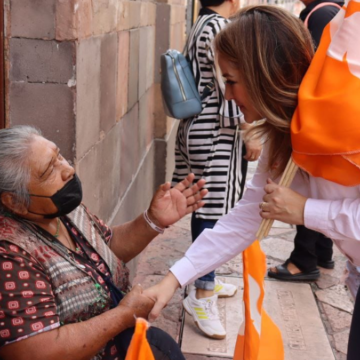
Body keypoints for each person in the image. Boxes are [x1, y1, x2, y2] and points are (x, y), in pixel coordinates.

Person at [143, 5, 359, 359]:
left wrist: (307, 210)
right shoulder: (287, 137)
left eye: (230, 81)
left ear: (265, 76)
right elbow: (245, 219)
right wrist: (172, 280)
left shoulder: (348, 128)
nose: (227, 95)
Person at [0, 126, 208, 360]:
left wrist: (153, 221)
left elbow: (105, 248)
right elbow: (35, 351)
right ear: (15, 201)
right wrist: (123, 315)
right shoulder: (10, 253)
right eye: (49, 169)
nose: (67, 169)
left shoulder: (62, 211)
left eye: (59, 156)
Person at [172, 0, 262, 339]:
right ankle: (202, 292)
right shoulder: (217, 27)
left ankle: (205, 277)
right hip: (216, 131)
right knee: (211, 210)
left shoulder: (203, 23)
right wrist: (247, 129)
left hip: (204, 127)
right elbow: (227, 90)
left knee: (212, 207)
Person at [268, 0, 344, 281]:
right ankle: (322, 253)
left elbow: (317, 72)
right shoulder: (328, 12)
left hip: (318, 124)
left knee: (308, 193)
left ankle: (304, 260)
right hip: (324, 123)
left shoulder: (323, 13)